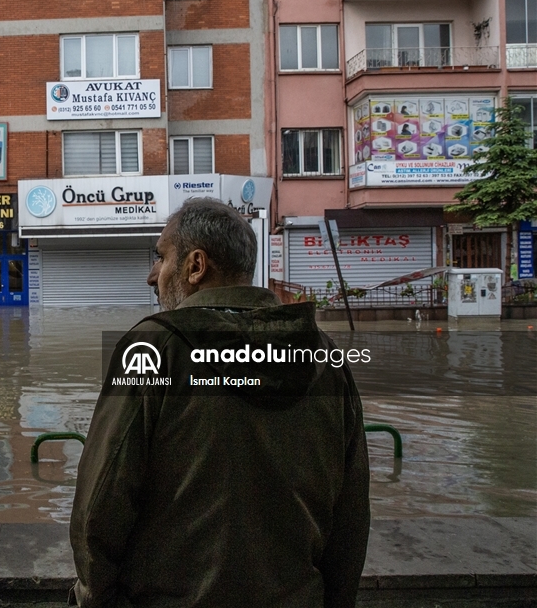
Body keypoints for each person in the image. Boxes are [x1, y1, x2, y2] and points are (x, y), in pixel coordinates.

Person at [70, 199, 370, 608]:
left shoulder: (153, 348)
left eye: (162, 258)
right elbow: (351, 514)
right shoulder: (325, 357)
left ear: (195, 266)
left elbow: (100, 507)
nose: (152, 275)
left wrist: (95, 602)